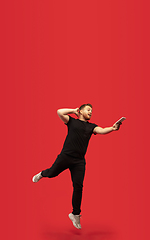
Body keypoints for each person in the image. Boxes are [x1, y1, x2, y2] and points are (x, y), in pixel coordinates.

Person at [32, 104, 122, 229]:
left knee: (78, 186)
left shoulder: (91, 126)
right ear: (80, 111)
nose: (91, 112)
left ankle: (75, 214)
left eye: (92, 110)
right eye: (88, 110)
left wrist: (112, 128)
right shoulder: (72, 122)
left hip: (79, 161)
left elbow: (101, 130)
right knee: (52, 173)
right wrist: (74, 111)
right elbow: (59, 112)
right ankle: (42, 174)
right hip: (65, 156)